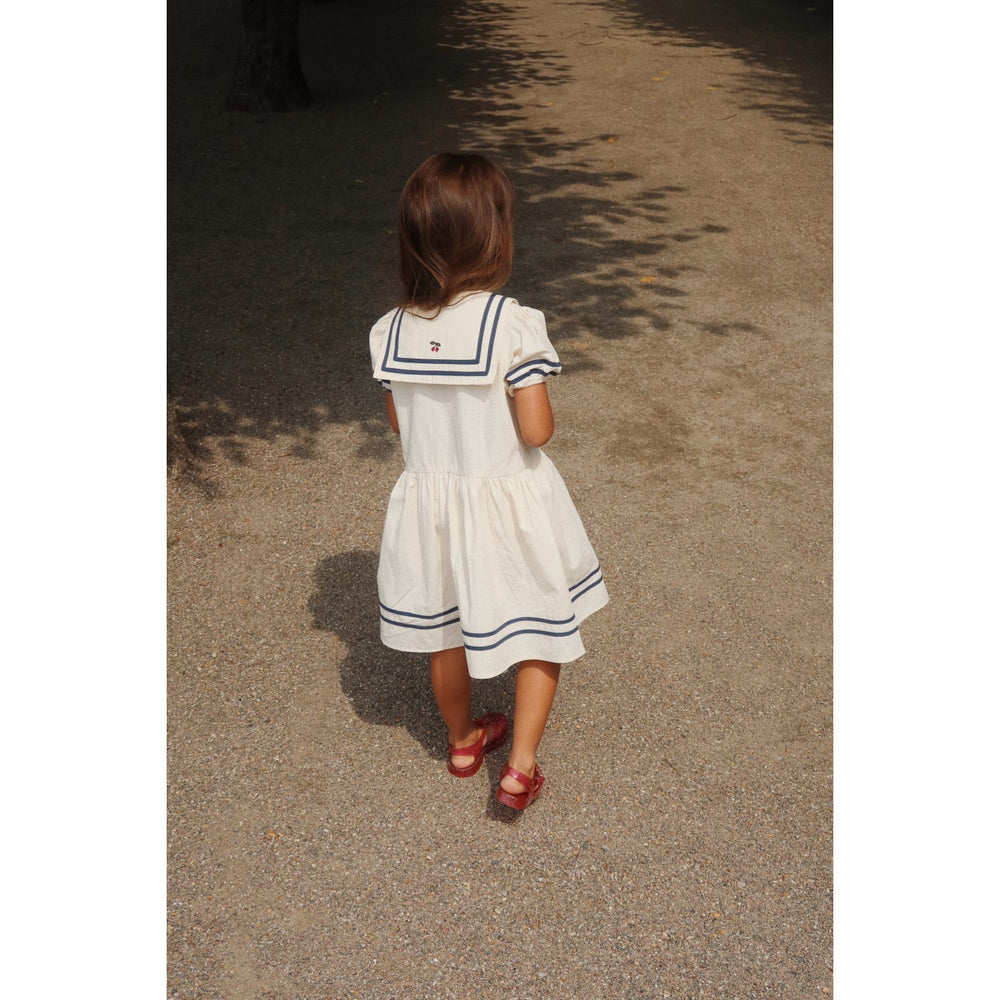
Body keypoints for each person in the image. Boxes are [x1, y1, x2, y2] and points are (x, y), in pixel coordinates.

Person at [369, 152, 609, 810]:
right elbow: (536, 431)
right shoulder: (513, 323)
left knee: (443, 631)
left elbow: (399, 423)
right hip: (507, 504)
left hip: (431, 508)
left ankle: (463, 740)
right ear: (494, 236)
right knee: (541, 625)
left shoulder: (390, 330)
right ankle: (520, 767)